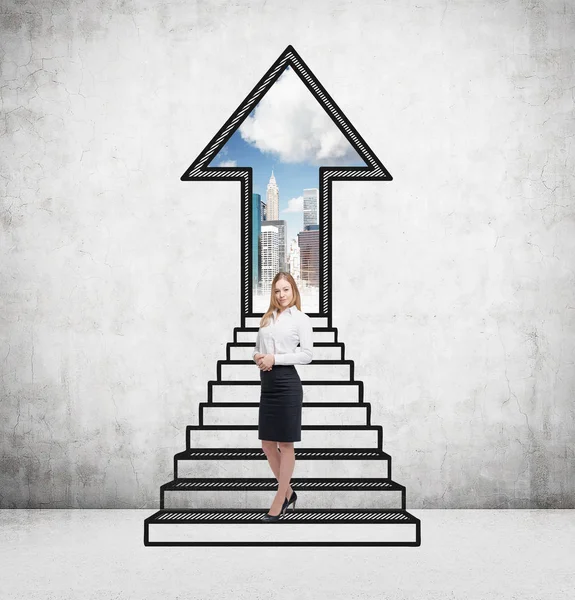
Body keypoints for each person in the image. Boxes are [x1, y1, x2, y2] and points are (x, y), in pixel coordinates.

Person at [252, 272, 314, 522]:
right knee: (267, 444)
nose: (281, 295)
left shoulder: (301, 319)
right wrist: (258, 358)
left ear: (294, 290)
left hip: (288, 384)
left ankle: (280, 499)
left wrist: (275, 359)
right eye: (277, 291)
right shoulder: (267, 318)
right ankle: (288, 492)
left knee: (285, 445)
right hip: (267, 384)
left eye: (286, 290)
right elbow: (257, 349)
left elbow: (307, 355)